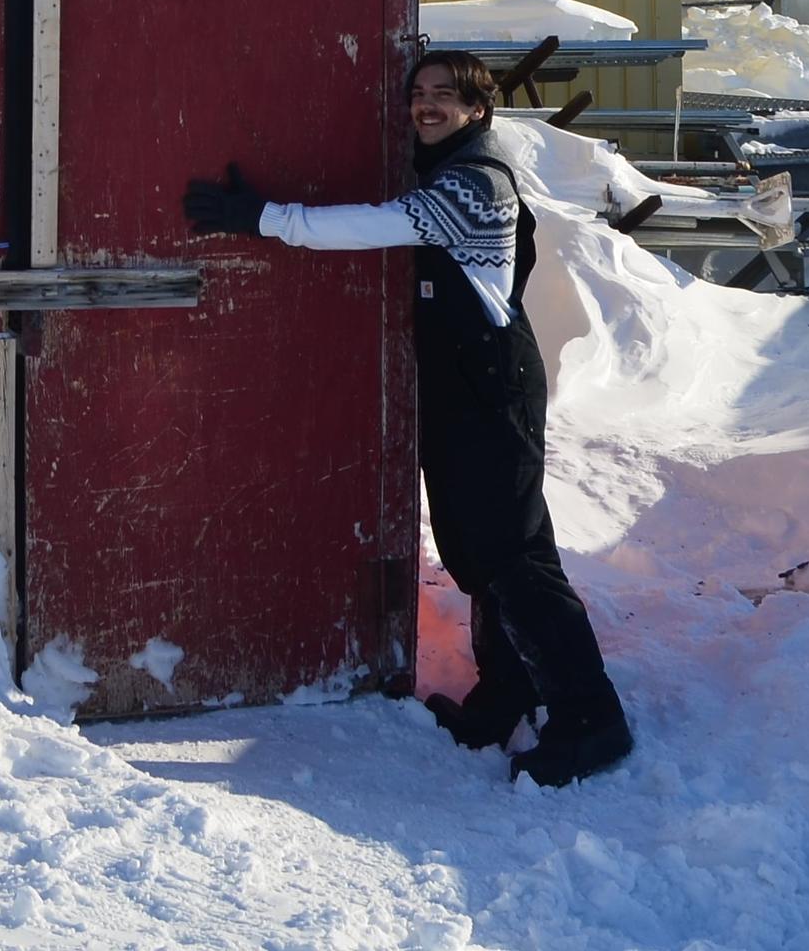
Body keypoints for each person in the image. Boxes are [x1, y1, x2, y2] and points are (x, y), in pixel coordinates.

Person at [184, 51, 636, 786]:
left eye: (445, 95)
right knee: (480, 549)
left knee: (514, 555)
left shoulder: (475, 185)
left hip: (493, 387)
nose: (427, 105)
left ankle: (592, 718)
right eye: (419, 93)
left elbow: (374, 224)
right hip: (462, 386)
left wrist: (265, 218)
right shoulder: (445, 169)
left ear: (477, 109)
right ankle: (508, 689)